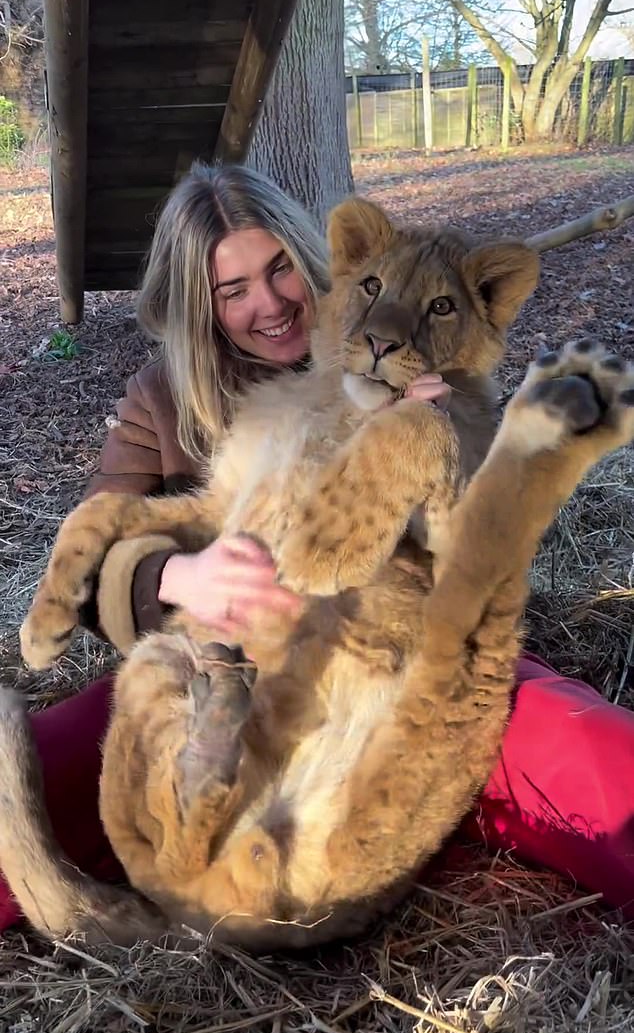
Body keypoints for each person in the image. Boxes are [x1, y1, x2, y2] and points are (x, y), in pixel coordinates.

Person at [2, 162, 633, 934]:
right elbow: (103, 536)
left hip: (397, 640)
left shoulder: (410, 338)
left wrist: (444, 437)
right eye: (232, 292)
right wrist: (174, 573)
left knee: (575, 749)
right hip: (231, 659)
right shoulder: (162, 400)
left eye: (279, 272)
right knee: (65, 761)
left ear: (318, 260)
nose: (268, 305)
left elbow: (481, 540)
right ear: (199, 307)